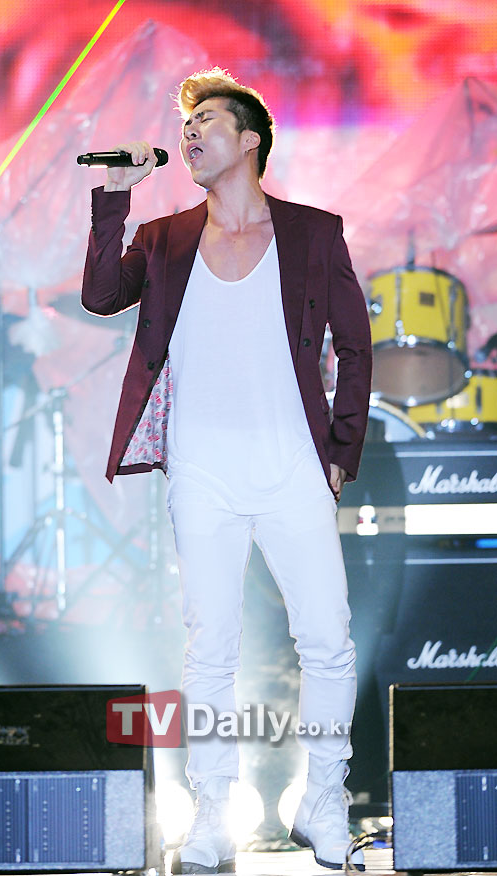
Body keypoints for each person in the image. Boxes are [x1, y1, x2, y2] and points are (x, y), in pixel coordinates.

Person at [81, 67, 372, 875]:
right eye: (186, 124)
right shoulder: (164, 238)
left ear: (249, 140)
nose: (190, 132)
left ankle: (324, 800)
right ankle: (214, 811)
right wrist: (114, 200)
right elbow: (101, 296)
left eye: (207, 119)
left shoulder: (313, 233)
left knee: (328, 640)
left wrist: (341, 451)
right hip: (202, 470)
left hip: (292, 464)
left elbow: (356, 347)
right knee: (210, 646)